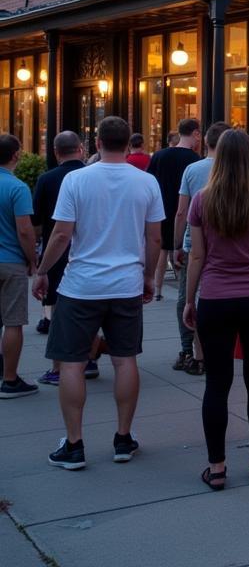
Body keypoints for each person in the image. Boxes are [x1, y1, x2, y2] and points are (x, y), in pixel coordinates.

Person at [33, 116, 164, 468]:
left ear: (96, 144)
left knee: (72, 364)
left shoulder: (76, 180)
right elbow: (154, 238)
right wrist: (149, 276)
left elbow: (61, 235)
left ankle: (74, 445)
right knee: (125, 360)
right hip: (126, 284)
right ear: (128, 143)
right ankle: (123, 438)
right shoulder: (147, 182)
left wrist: (42, 271)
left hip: (81, 286)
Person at [183, 130, 249, 490]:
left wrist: (189, 299)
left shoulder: (201, 200)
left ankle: (218, 467)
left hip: (216, 298)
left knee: (217, 383)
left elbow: (197, 255)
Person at [170, 121, 231, 375]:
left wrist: (176, 246)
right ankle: (219, 349)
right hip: (229, 243)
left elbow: (182, 211)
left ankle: (191, 351)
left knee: (189, 296)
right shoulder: (238, 171)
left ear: (205, 142)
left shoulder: (193, 170)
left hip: (195, 241)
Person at [32, 131, 87, 385]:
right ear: (81, 148)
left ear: (55, 152)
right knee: (88, 309)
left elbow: (37, 221)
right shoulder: (89, 177)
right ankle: (90, 359)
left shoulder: (46, 179)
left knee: (56, 306)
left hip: (57, 250)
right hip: (86, 249)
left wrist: (39, 261)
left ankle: (57, 367)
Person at [0, 134, 39, 399]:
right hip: (10, 261)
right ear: (16, 155)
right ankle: (10, 380)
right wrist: (33, 260)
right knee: (13, 322)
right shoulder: (17, 188)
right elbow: (25, 230)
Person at [147, 118, 201, 300]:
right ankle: (183, 290)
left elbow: (150, 182)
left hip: (161, 208)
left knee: (162, 250)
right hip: (185, 208)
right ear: (194, 133)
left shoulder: (159, 155)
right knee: (184, 250)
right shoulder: (195, 161)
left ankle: (158, 289)